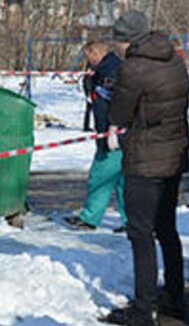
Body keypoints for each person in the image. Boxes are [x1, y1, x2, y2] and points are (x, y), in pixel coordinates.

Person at [101, 11, 189, 326]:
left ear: (126, 40)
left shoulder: (133, 69)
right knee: (167, 229)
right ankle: (175, 298)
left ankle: (144, 311)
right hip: (175, 154)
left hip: (145, 159)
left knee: (140, 233)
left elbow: (120, 114)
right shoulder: (175, 60)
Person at [65, 40, 126, 232]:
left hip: (112, 134)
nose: (87, 60)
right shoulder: (109, 69)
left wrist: (113, 129)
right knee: (123, 181)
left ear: (95, 53)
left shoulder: (110, 72)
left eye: (87, 56)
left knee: (100, 177)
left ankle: (90, 218)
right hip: (120, 133)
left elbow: (117, 101)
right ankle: (131, 221)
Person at [82, 61, 95, 132]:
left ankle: (87, 125)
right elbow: (87, 80)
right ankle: (86, 126)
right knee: (90, 108)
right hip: (90, 89)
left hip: (91, 88)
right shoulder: (91, 66)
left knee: (91, 108)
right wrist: (89, 92)